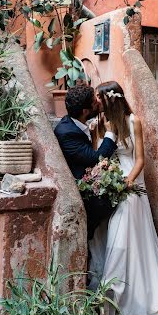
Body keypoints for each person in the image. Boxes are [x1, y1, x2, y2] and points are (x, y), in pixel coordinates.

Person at [89, 81, 158, 315]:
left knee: (122, 241)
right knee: (116, 240)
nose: (96, 103)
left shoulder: (134, 122)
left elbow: (140, 159)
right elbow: (100, 157)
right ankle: (119, 297)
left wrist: (127, 182)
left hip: (131, 186)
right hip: (112, 185)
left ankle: (117, 297)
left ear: (110, 100)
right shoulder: (102, 124)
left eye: (99, 99)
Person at [54, 84, 118, 239]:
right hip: (82, 195)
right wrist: (110, 132)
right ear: (85, 111)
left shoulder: (75, 123)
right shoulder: (67, 133)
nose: (98, 102)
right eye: (95, 102)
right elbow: (95, 159)